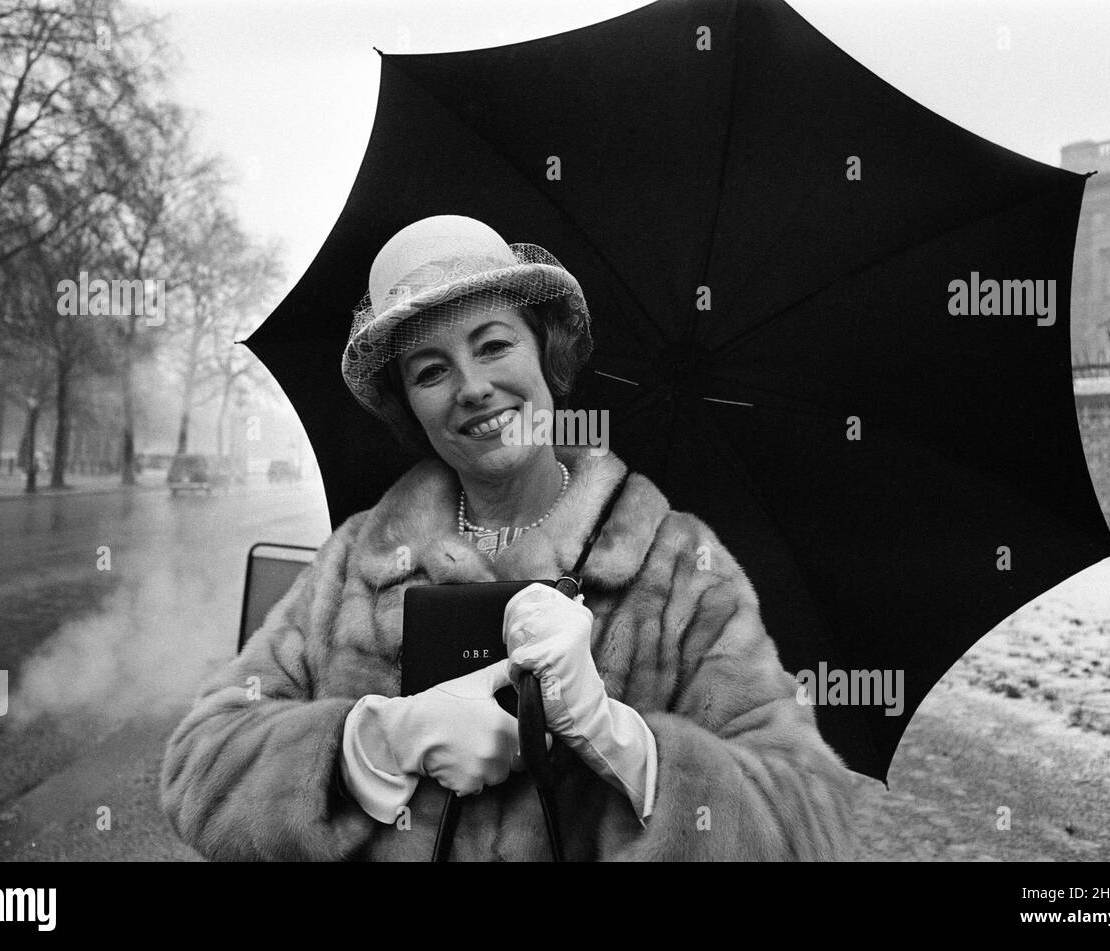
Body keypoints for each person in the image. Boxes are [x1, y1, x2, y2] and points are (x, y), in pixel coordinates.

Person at [160, 215, 857, 861]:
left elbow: (811, 819)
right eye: (431, 370)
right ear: (411, 406)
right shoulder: (355, 560)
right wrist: (372, 742)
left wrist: (620, 741)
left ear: (545, 353)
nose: (472, 387)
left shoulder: (677, 567)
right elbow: (201, 765)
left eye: (494, 344)